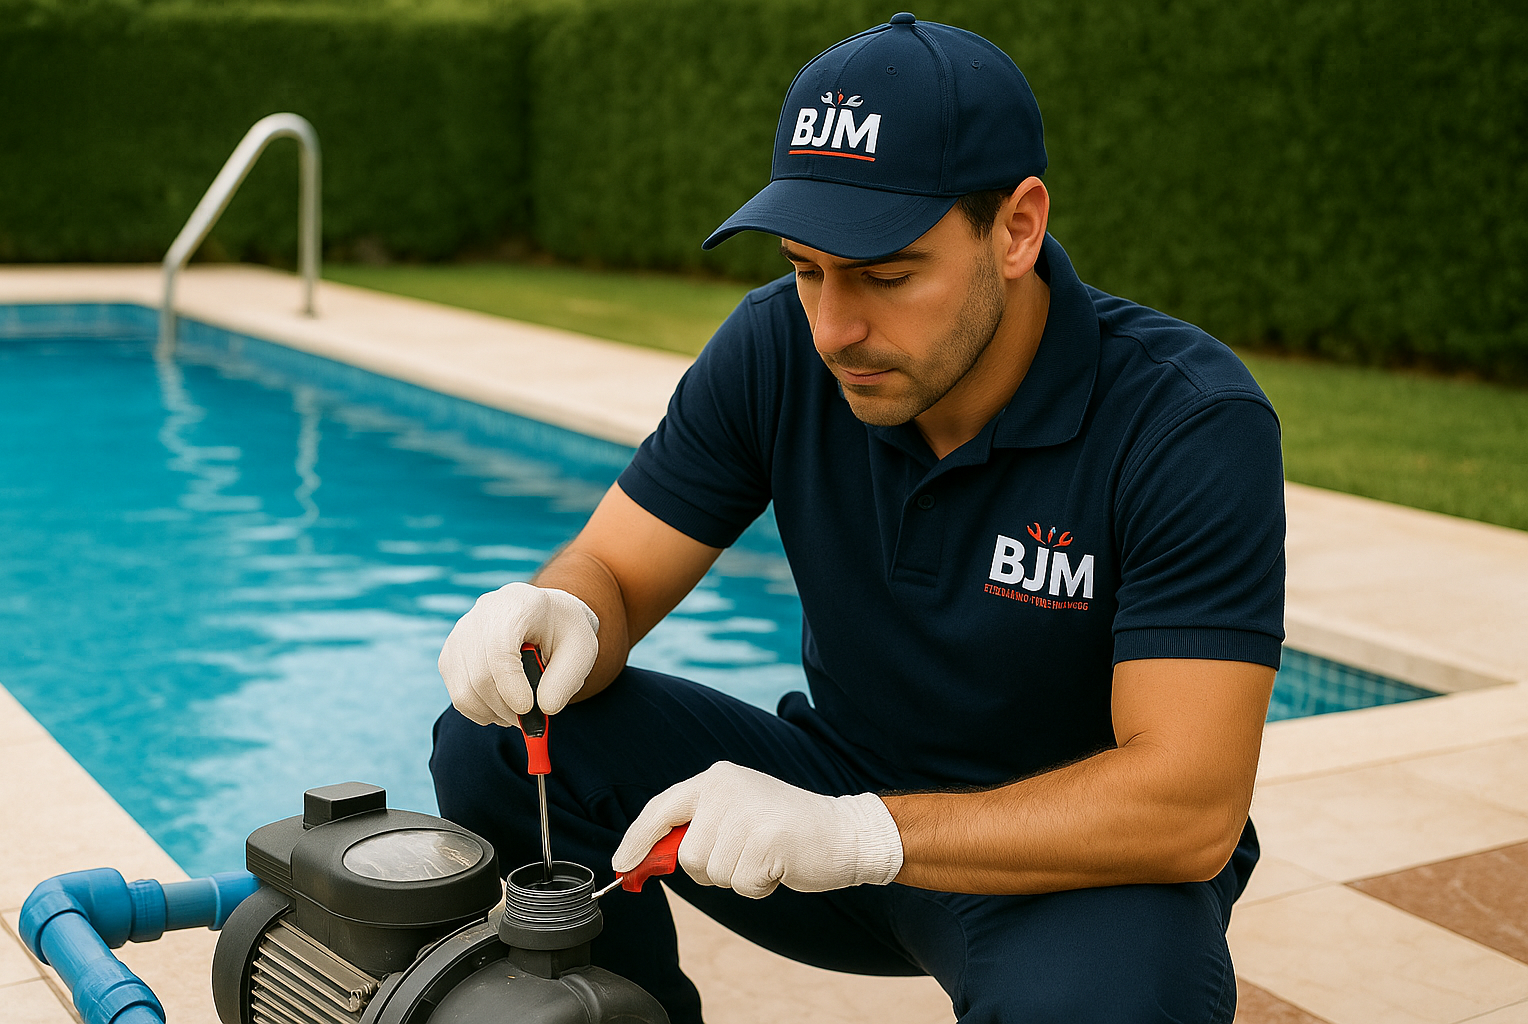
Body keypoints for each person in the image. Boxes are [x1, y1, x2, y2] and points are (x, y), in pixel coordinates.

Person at [430, 13, 1284, 1023]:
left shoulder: (1184, 423)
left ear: (1017, 228)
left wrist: (859, 832)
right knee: (495, 736)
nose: (835, 327)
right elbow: (611, 571)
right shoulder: (775, 349)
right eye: (806, 267)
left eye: (886, 275)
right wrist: (555, 610)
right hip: (829, 794)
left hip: (1072, 867)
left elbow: (1187, 803)